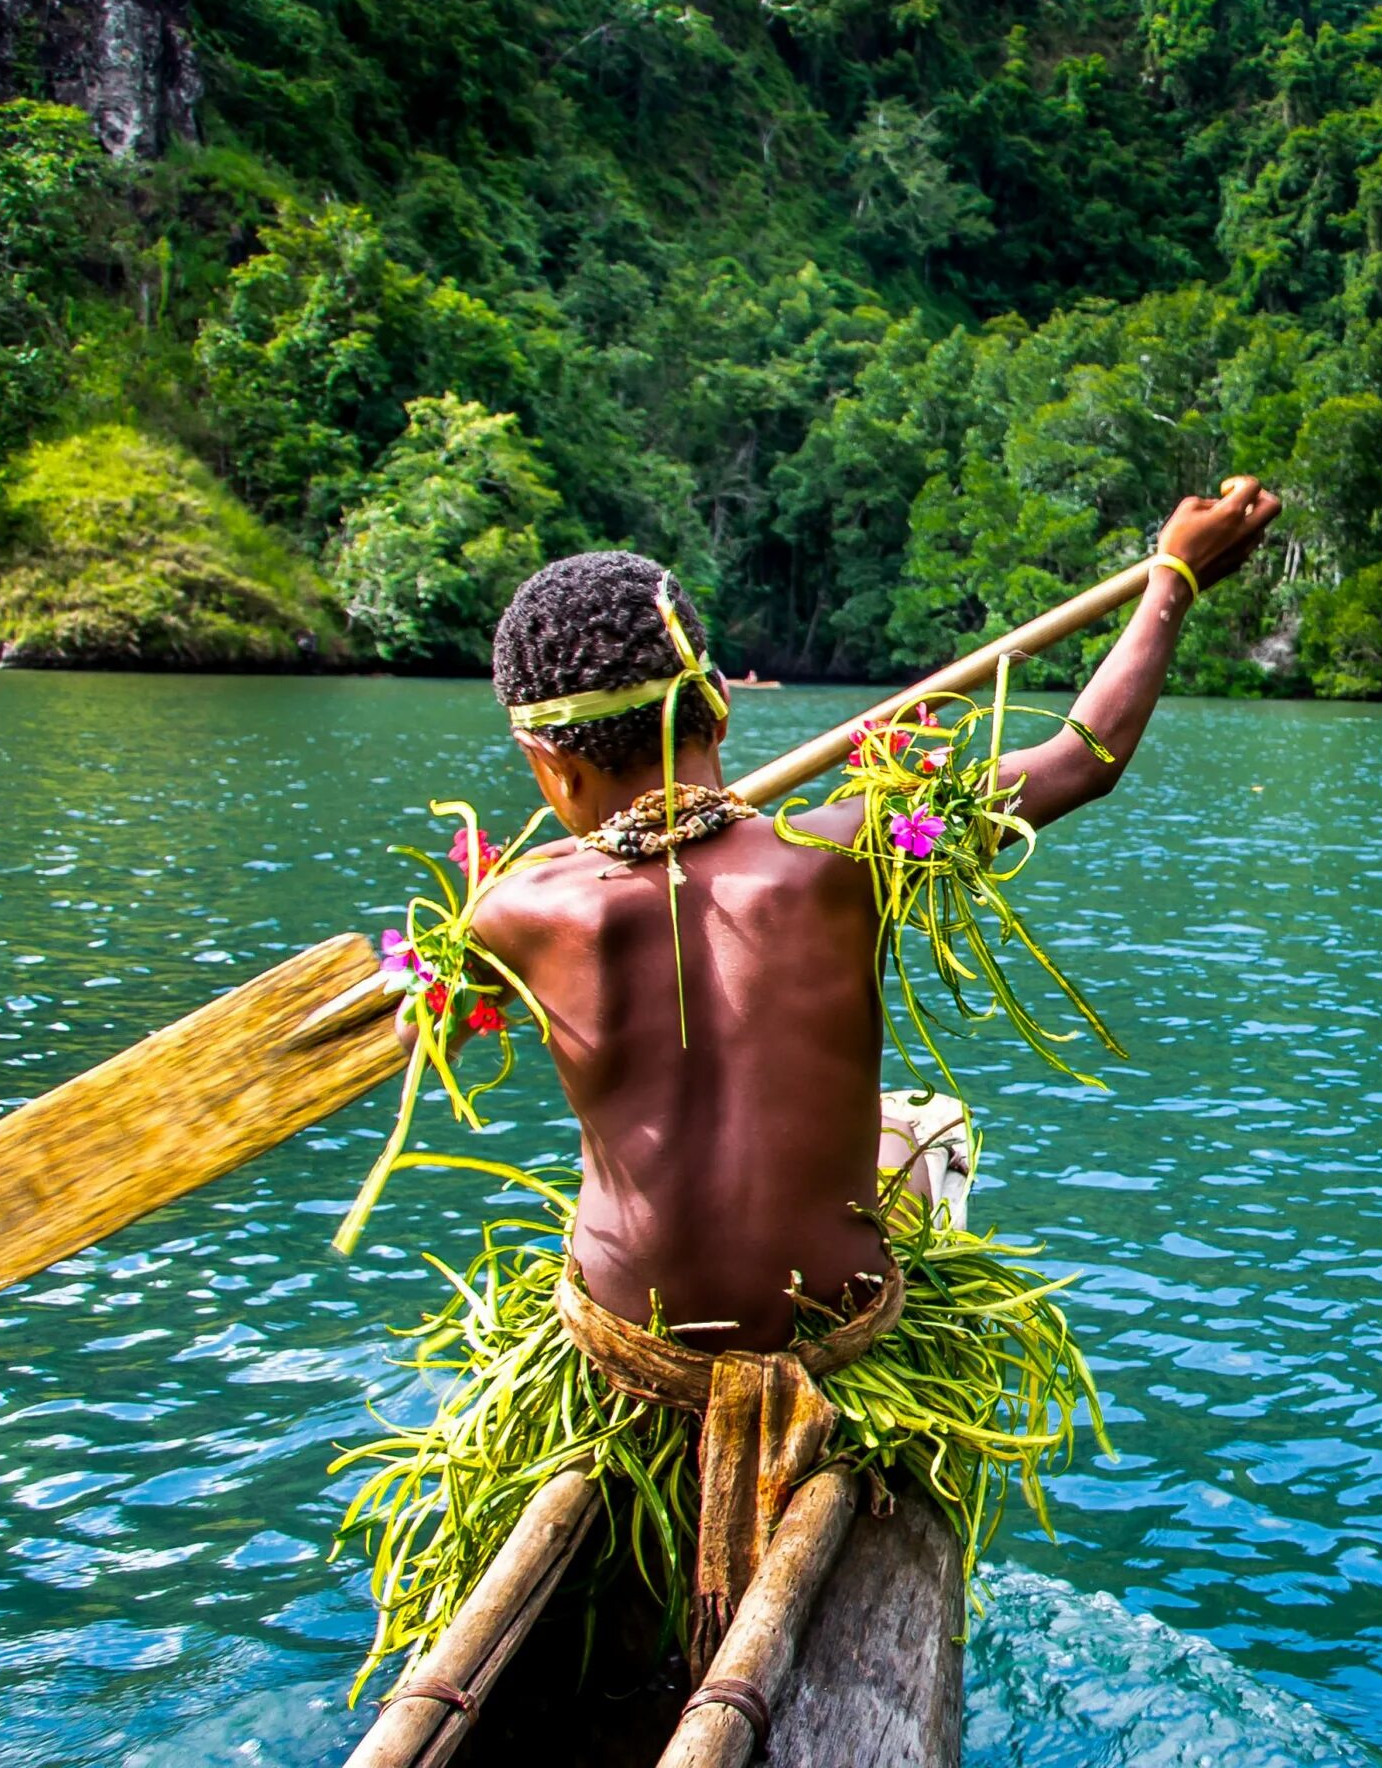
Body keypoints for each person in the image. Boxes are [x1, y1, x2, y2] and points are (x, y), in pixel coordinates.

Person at [339, 479, 1281, 1702]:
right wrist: (1172, 581)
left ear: (540, 761)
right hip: (829, 1340)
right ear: (720, 701)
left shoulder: (511, 911)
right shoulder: (850, 852)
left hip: (629, 1356)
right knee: (903, 1161)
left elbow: (555, 899)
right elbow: (1082, 758)